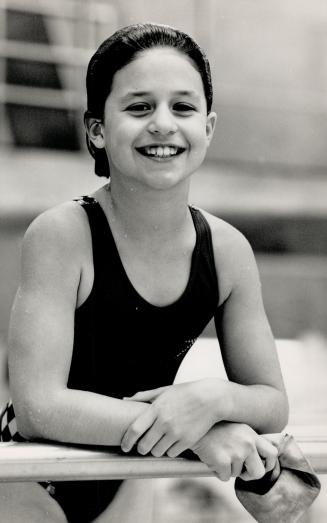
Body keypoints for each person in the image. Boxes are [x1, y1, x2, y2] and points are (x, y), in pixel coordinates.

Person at [1, 23, 289, 522]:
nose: (163, 124)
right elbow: (39, 406)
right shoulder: (62, 235)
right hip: (28, 476)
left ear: (209, 127)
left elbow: (271, 403)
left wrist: (207, 399)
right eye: (139, 107)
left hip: (131, 474)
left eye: (183, 107)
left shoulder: (226, 252)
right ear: (97, 130)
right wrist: (196, 432)